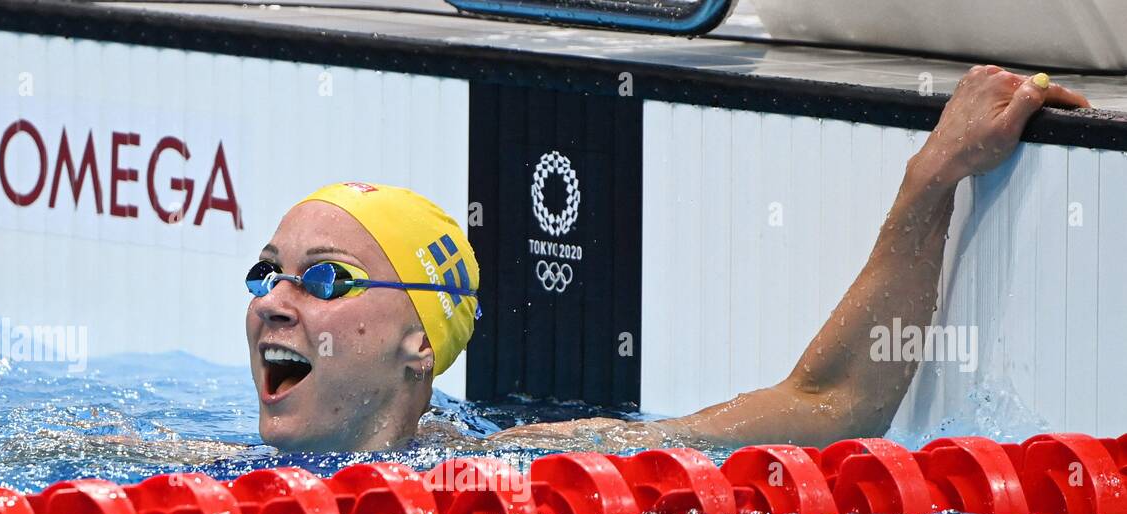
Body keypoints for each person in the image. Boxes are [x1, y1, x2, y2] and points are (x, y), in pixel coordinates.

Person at [246, 67, 1088, 454]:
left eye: (323, 279)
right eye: (267, 273)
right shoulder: (180, 466)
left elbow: (835, 406)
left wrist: (932, 176)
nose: (274, 302)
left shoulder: (533, 463)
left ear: (418, 344)